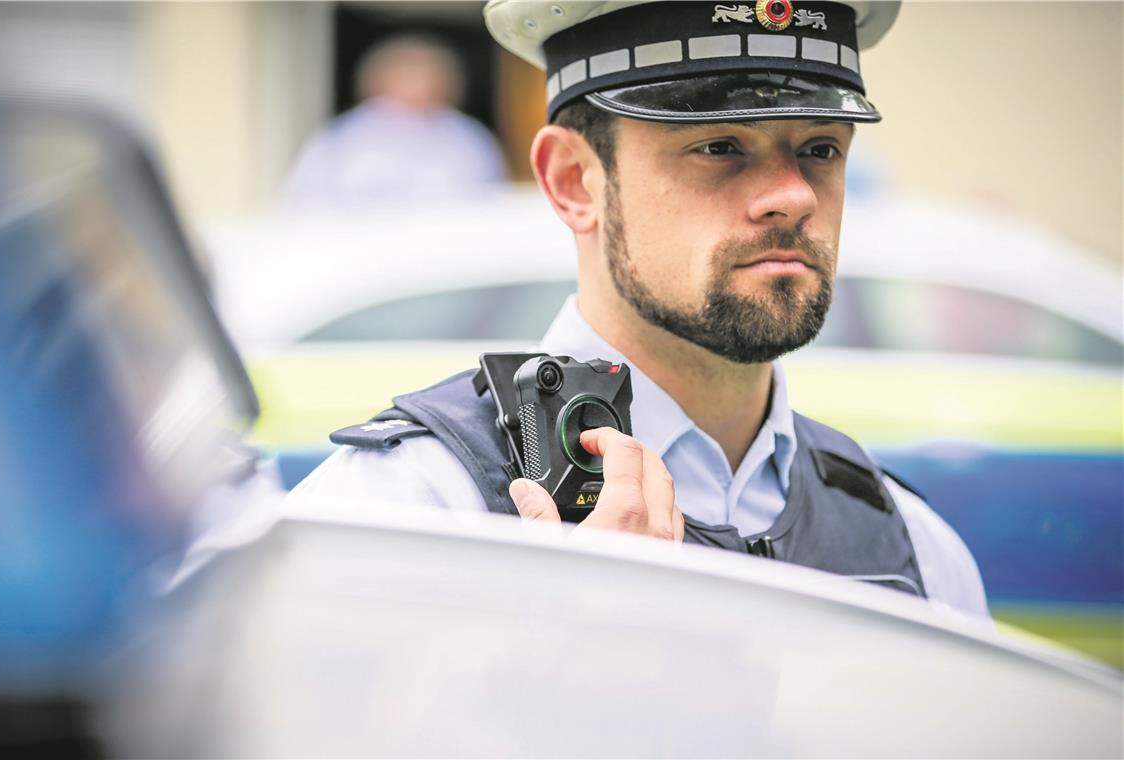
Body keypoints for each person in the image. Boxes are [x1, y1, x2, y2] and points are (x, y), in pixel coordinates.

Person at [289, 0, 988, 617]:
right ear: (573, 182)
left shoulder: (918, 553)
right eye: (720, 147)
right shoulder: (408, 513)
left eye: (820, 148)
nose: (795, 195)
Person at [279, 32, 506, 210]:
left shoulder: (468, 137)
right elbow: (304, 202)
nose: (419, 83)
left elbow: (490, 202)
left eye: (427, 73)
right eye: (408, 72)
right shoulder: (343, 137)